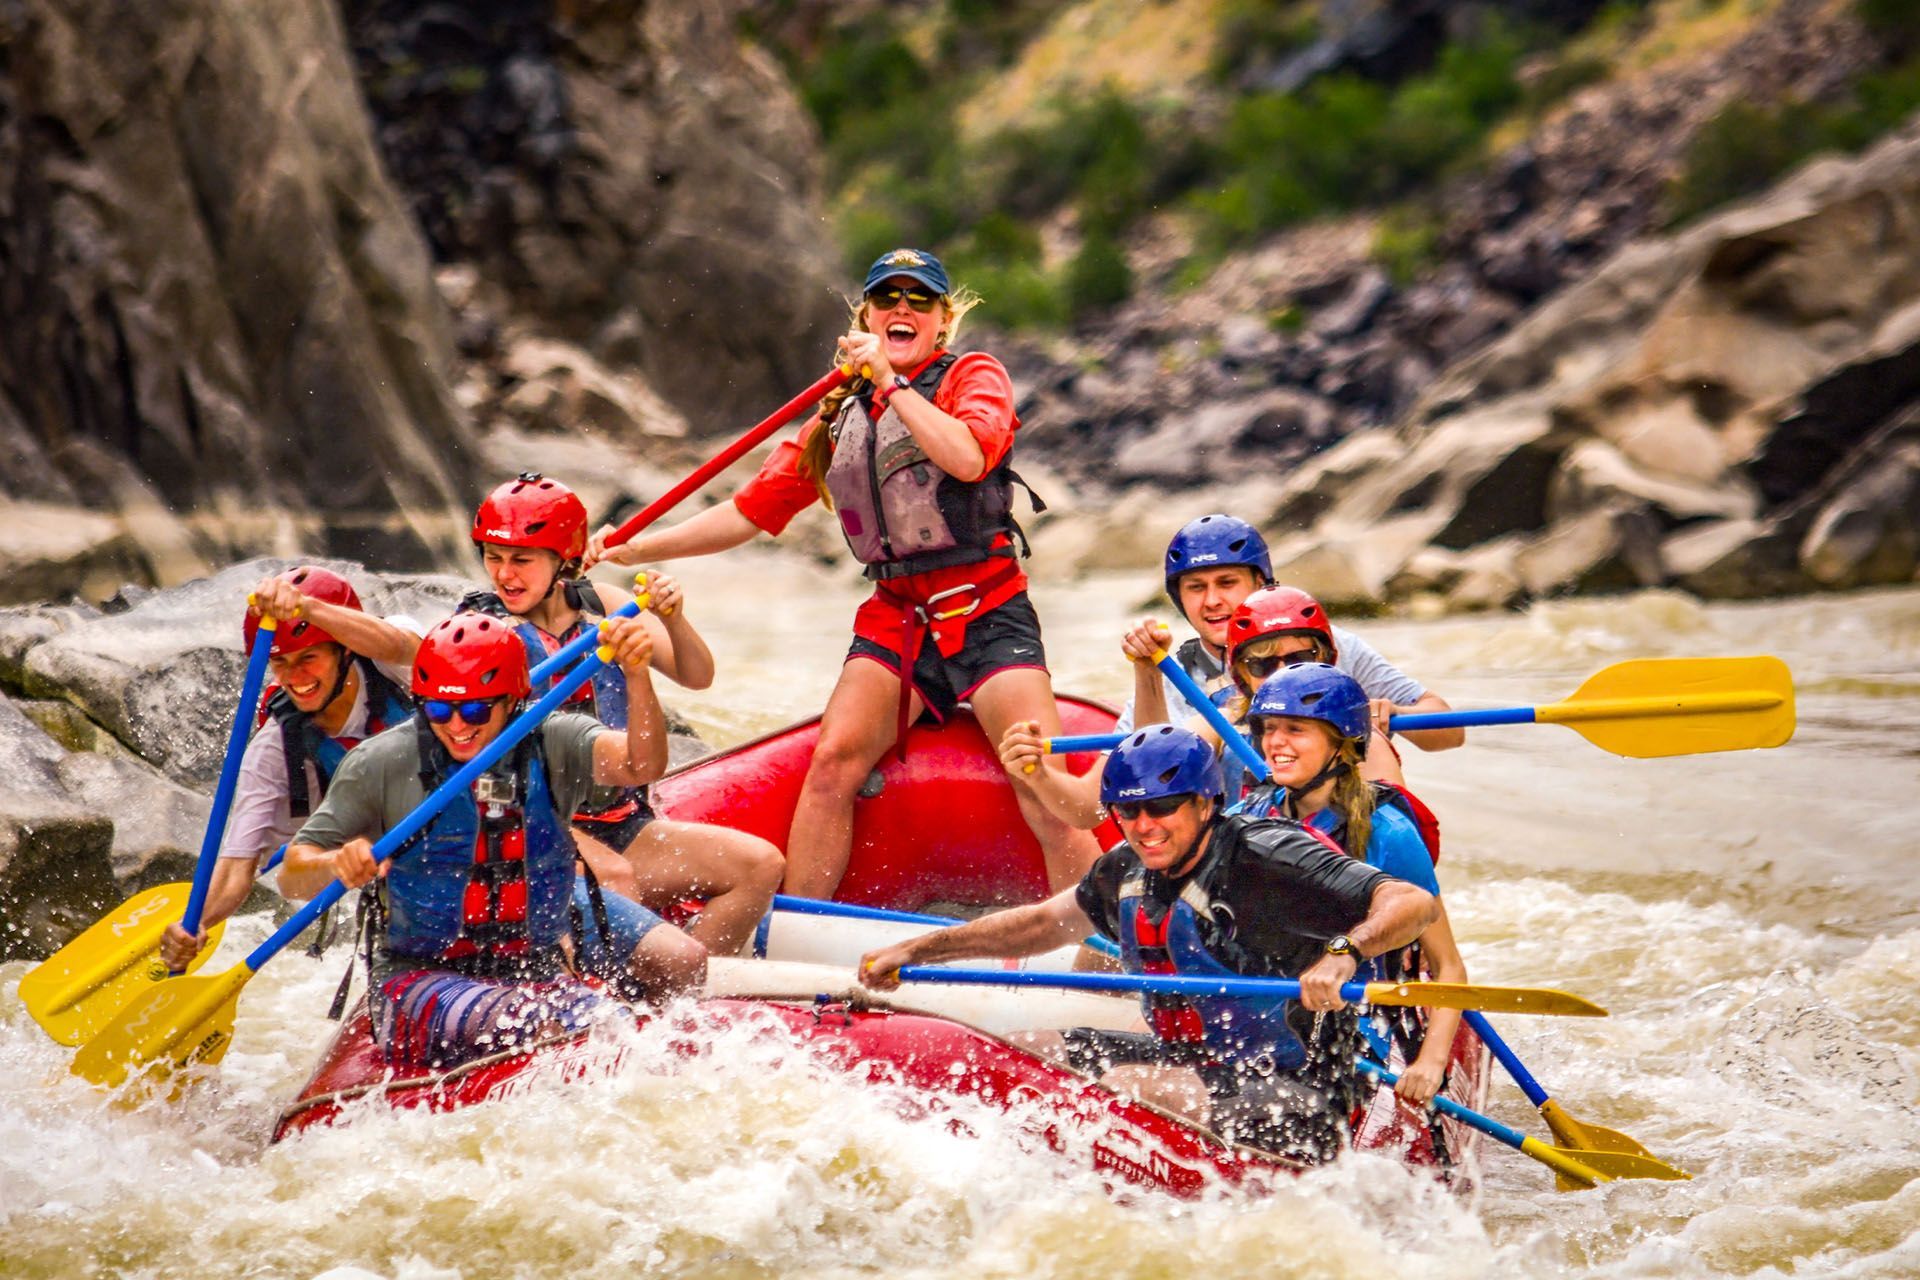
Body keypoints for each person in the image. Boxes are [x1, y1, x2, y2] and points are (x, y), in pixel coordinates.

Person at [585, 248, 1100, 899]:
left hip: (987, 608)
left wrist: (890, 383)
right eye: (888, 299)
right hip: (898, 616)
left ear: (942, 321)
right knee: (830, 767)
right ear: (867, 316)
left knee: (1039, 782)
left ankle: (1093, 947)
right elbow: (750, 512)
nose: (903, 309)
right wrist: (638, 550)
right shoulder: (838, 413)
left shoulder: (974, 375)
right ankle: (800, 935)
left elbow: (968, 459)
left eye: (920, 300)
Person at [859, 725, 1437, 1162]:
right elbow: (1037, 925)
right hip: (1196, 1060)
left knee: (1127, 1090)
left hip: (1300, 1085)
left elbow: (1412, 903)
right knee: (1023, 1051)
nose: (1144, 826)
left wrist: (1344, 951)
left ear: (1206, 802)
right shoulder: (1124, 870)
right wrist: (915, 952)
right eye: (1127, 811)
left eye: (1162, 807)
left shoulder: (1267, 855)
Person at [278, 612, 707, 1069]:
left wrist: (638, 675)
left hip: (535, 957)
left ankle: (662, 1067)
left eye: (476, 710)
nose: (457, 726)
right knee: (568, 1022)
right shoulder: (379, 763)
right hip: (421, 975)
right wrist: (334, 865)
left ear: (512, 700)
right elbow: (292, 874)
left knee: (683, 961)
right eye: (439, 709)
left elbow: (641, 766)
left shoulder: (552, 737)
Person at [461, 473, 781, 955]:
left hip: (620, 823)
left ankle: (691, 997)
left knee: (760, 865)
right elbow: (472, 766)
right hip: (536, 830)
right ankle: (642, 988)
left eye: (522, 560)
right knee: (616, 878)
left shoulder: (604, 604)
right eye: (494, 557)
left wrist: (673, 618)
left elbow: (698, 676)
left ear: (563, 560)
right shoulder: (483, 634)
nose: (505, 575)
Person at [1000, 521, 1463, 824]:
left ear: (1261, 585)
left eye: (1227, 583)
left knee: (1372, 744)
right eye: (1196, 588)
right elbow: (1126, 787)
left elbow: (1449, 730)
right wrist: (1036, 773)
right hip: (1231, 841)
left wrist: (1386, 712)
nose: (1213, 602)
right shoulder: (1172, 670)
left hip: (1336, 833)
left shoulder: (1325, 643)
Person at [1229, 664, 1466, 1107]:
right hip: (1268, 1009)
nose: (1275, 743)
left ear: (1342, 744)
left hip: (1358, 1023)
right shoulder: (1248, 814)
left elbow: (1448, 965)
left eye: (1296, 730)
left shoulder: (1388, 833)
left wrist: (1430, 1063)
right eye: (1268, 728)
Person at [160, 567, 420, 971]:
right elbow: (237, 868)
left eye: (308, 658)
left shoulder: (389, 663)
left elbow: (405, 646)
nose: (295, 678)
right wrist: (195, 924)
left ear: (345, 650)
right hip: (395, 873)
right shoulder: (275, 750)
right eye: (280, 662)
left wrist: (310, 609)